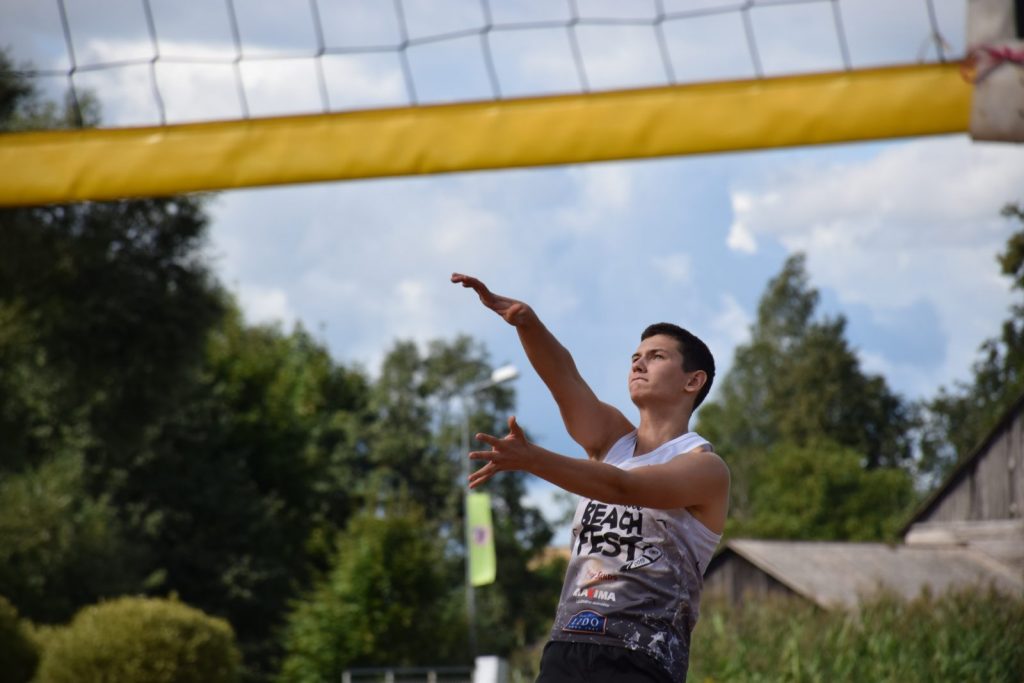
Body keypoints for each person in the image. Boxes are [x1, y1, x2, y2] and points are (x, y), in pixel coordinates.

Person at [451, 273, 730, 683]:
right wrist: (527, 323)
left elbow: (622, 487)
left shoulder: (705, 467)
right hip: (567, 645)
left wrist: (534, 459)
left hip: (642, 653)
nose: (638, 363)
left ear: (693, 380)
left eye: (656, 356)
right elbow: (564, 380)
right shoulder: (611, 440)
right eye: (635, 356)